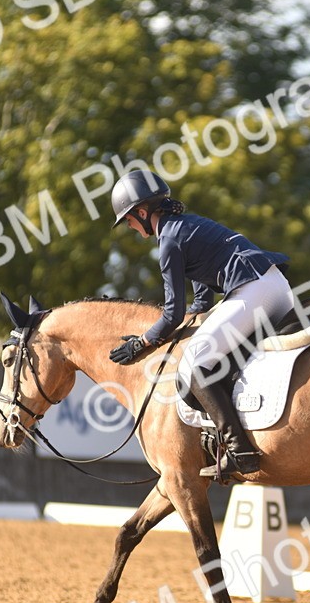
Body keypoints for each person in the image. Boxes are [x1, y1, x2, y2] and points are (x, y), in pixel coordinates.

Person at [107, 169, 294, 478]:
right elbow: (202, 299)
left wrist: (143, 342)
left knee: (196, 364)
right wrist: (189, 318)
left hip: (254, 289)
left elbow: (172, 314)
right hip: (277, 286)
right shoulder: (186, 225)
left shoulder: (167, 241)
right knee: (220, 357)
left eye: (127, 219)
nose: (128, 226)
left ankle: (240, 450)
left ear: (141, 212)